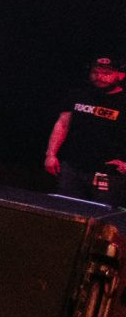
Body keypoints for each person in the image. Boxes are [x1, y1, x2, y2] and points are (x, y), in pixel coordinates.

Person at [46, 53, 126, 205]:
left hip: (108, 172)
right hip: (72, 167)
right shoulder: (79, 94)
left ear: (121, 75)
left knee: (101, 213)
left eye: (106, 73)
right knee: (66, 209)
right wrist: (51, 154)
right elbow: (62, 124)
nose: (99, 77)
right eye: (95, 72)